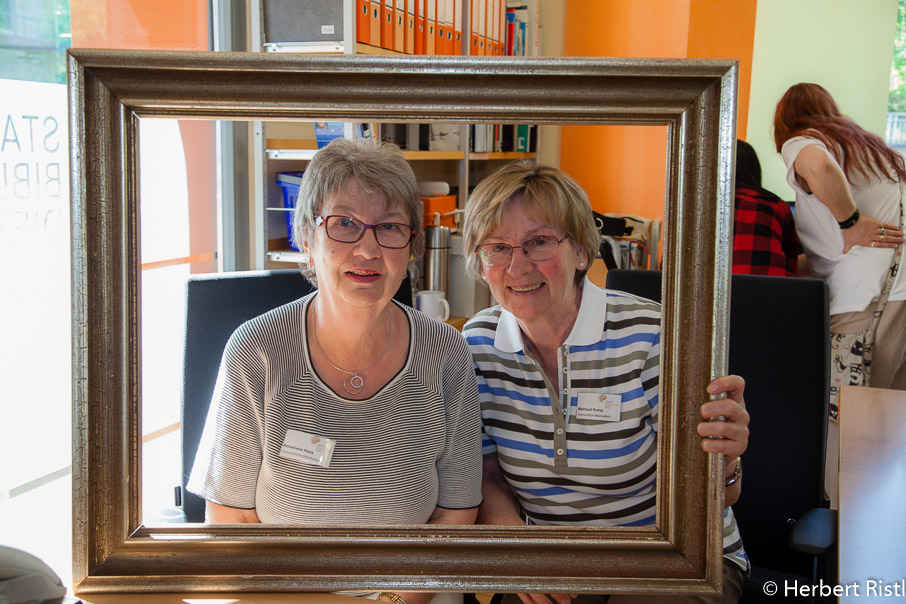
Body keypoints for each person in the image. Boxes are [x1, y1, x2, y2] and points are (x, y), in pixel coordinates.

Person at [187, 137, 482, 604]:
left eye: (389, 227)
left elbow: (454, 516)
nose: (367, 249)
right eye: (344, 223)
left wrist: (390, 603)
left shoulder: (446, 354)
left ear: (412, 247)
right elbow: (230, 526)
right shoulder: (256, 352)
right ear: (306, 237)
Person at [462, 161, 750, 604]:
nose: (517, 267)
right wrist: (519, 550)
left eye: (538, 242)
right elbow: (489, 477)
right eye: (497, 247)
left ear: (581, 251)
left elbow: (719, 496)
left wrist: (726, 463)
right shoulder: (476, 345)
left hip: (671, 560)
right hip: (552, 562)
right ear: (480, 263)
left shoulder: (654, 336)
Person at [774, 83, 906, 392]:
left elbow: (819, 166)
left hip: (868, 298)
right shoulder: (879, 153)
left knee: (847, 419)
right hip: (897, 293)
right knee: (891, 421)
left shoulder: (802, 141)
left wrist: (852, 223)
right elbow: (832, 253)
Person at [732, 139, 799, 276]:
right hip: (773, 288)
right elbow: (792, 261)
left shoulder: (709, 208)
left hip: (721, 289)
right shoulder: (778, 205)